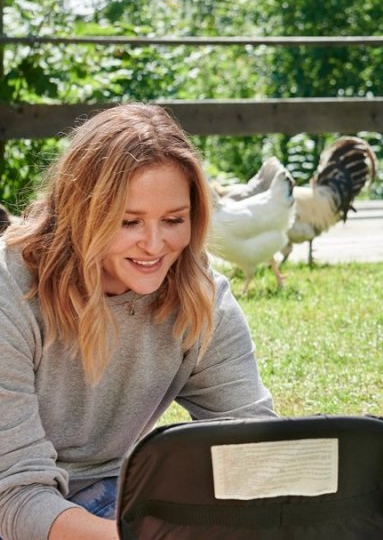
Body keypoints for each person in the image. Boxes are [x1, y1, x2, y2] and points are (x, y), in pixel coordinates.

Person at [0, 104, 277, 540]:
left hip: (114, 492)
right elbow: (13, 500)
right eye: (128, 222)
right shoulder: (9, 293)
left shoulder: (199, 295)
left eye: (174, 220)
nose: (154, 245)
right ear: (81, 213)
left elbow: (254, 443)